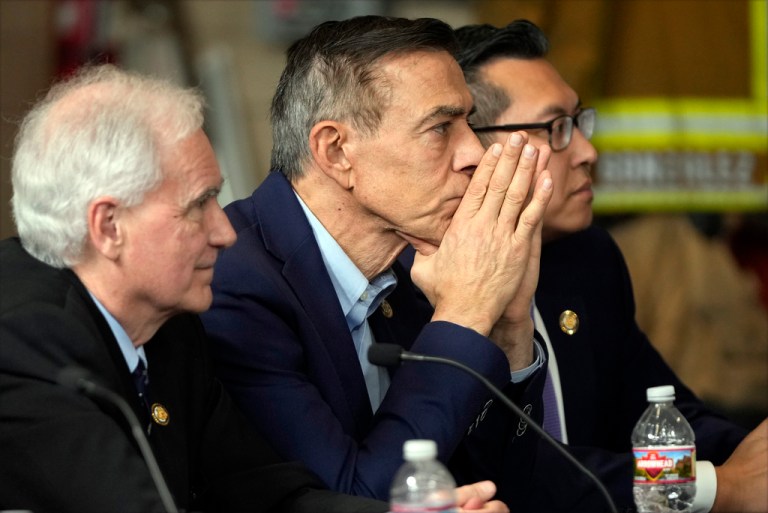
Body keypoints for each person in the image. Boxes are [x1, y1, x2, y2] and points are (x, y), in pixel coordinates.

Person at [0, 64, 507, 513]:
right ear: (109, 226)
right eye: (198, 205)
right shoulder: (23, 341)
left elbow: (268, 494)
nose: (224, 232)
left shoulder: (169, 328)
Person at [202, 15, 553, 504]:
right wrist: (465, 312)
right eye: (440, 127)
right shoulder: (234, 284)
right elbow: (359, 499)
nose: (474, 152)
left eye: (468, 123)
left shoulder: (414, 264)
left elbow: (505, 485)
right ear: (336, 151)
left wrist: (509, 326)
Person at [454, 19, 768, 513]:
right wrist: (712, 484)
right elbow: (526, 475)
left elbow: (660, 416)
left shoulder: (587, 257)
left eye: (580, 122)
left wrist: (748, 455)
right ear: (471, 148)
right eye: (556, 129)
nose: (588, 152)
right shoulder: (422, 287)